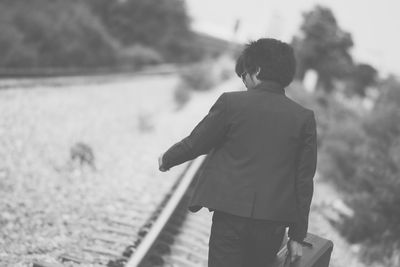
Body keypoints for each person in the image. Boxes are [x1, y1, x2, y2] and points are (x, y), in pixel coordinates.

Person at [158, 38, 317, 267]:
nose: (243, 82)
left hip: (230, 216)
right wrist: (297, 236)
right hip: (271, 225)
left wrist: (167, 158)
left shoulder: (231, 103)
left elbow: (197, 142)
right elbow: (304, 180)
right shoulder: (304, 119)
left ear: (257, 70)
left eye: (244, 75)